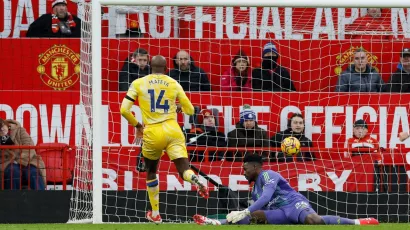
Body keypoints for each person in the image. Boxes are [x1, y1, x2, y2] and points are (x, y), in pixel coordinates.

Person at [120, 55, 209, 224]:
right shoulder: (174, 83)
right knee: (184, 169)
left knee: (152, 171)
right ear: (167, 67)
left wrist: (137, 125)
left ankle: (155, 213)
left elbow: (123, 110)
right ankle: (194, 179)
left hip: (152, 131)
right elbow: (190, 110)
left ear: (150, 67)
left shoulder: (138, 83)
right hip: (173, 130)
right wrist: (179, 107)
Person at [193, 154, 379, 226]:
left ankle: (357, 222)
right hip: (280, 213)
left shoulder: (268, 175)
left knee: (313, 220)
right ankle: (214, 223)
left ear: (256, 167)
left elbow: (266, 198)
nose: (243, 172)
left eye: (245, 168)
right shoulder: (254, 191)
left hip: (293, 203)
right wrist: (247, 214)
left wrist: (246, 210)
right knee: (249, 218)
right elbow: (260, 206)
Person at [0, 118, 46, 190]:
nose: (2, 130)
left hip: (28, 161)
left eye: (2, 126)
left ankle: (42, 199)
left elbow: (29, 146)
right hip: (8, 164)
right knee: (13, 171)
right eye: (0, 129)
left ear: (5, 124)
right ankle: (12, 199)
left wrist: (20, 162)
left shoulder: (20, 130)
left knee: (33, 172)